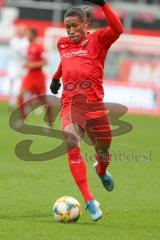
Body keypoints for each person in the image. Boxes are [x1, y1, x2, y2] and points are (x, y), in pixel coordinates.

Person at [50, 0, 123, 221]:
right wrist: (56, 77)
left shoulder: (98, 39)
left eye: (74, 25)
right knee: (71, 143)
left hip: (95, 105)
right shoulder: (62, 44)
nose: (70, 31)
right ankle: (90, 201)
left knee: (103, 148)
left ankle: (101, 170)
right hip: (72, 103)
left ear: (85, 23)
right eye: (67, 27)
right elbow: (66, 61)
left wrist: (103, 4)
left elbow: (118, 29)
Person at [17, 28, 53, 126]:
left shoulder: (40, 47)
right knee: (20, 95)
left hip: (39, 77)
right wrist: (27, 64)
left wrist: (31, 65)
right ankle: (22, 118)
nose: (27, 35)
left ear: (33, 35)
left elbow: (46, 62)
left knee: (43, 100)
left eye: (28, 34)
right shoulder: (28, 47)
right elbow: (31, 60)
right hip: (29, 76)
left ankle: (49, 121)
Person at [7, 24, 29, 110]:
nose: (20, 32)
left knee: (26, 84)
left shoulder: (27, 41)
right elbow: (17, 52)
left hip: (24, 64)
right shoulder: (13, 40)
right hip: (14, 63)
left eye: (22, 30)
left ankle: (25, 103)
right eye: (19, 30)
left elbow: (26, 54)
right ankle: (11, 101)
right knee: (11, 81)